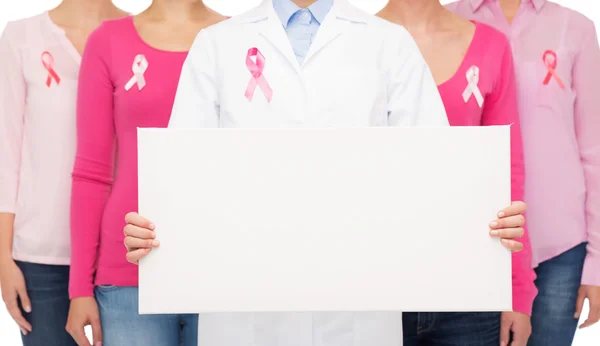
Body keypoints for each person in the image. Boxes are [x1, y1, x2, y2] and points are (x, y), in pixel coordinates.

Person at [122, 0, 528, 345]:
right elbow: (181, 181)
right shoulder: (216, 46)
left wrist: (485, 222)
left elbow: (437, 177)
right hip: (244, 317)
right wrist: (154, 231)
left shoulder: (388, 44)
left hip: (360, 317)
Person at [66, 1, 226, 345]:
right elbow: (92, 173)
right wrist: (79, 287)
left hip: (218, 266)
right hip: (128, 276)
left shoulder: (238, 39)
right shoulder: (108, 41)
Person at [377, 1, 536, 345]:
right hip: (378, 284)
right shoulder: (352, 43)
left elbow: (509, 170)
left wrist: (518, 290)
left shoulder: (490, 46)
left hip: (470, 284)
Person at [446, 0, 600, 345]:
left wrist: (597, 262)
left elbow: (594, 148)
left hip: (559, 245)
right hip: (479, 239)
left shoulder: (575, 28)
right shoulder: (451, 20)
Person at [0, 1, 126, 345]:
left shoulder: (137, 35)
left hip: (122, 253)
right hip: (42, 258)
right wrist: (3, 259)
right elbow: (6, 155)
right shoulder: (21, 38)